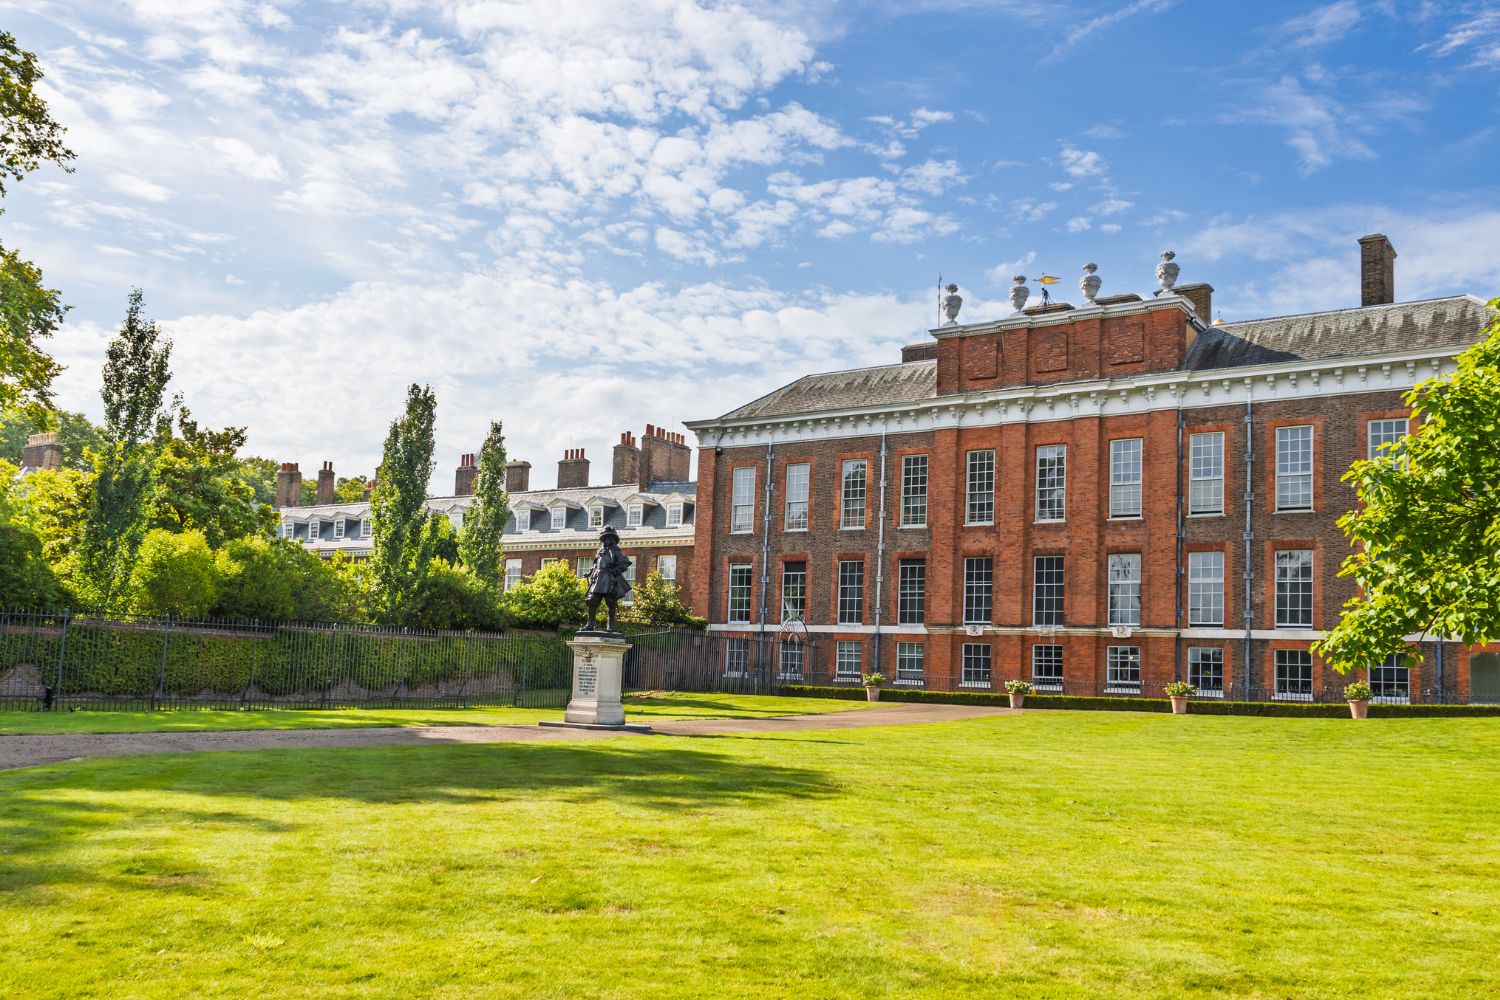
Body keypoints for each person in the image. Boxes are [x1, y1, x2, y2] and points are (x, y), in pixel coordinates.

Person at [583, 527, 632, 632]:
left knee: (611, 603)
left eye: (608, 538)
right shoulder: (600, 551)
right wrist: (590, 573)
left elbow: (625, 563)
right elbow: (596, 565)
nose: (606, 540)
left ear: (612, 539)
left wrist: (615, 571)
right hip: (598, 580)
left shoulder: (616, 551)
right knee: (592, 601)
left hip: (609, 580)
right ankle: (590, 625)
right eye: (605, 538)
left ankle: (611, 626)